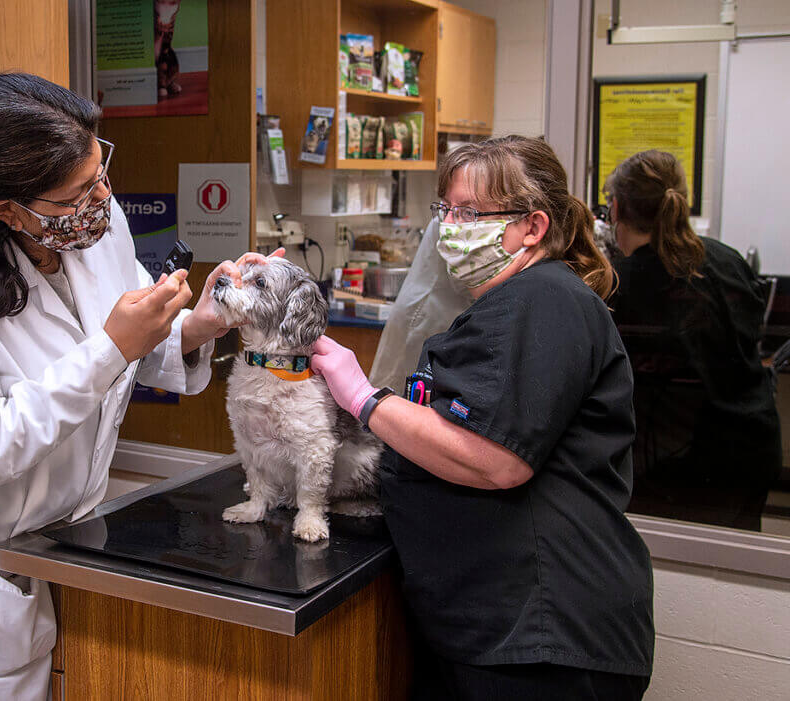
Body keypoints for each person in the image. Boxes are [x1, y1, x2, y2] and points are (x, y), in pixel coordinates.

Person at [0, 73, 276, 700]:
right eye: (78, 193)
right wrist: (113, 348)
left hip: (62, 524)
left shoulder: (89, 225)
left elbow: (131, 332)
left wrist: (197, 325)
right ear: (7, 209)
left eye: (100, 171)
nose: (101, 198)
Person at [311, 136, 654, 699]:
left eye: (471, 212)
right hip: (504, 624)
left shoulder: (539, 299)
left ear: (533, 226)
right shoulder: (511, 304)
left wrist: (364, 399)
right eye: (446, 209)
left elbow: (495, 458)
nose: (451, 225)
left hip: (540, 633)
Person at [605, 150, 781, 530]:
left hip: (672, 468)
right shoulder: (729, 262)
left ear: (616, 210)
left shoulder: (618, 284)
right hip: (751, 450)